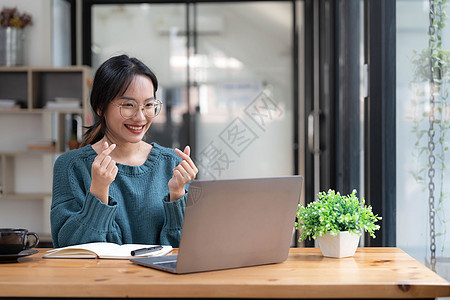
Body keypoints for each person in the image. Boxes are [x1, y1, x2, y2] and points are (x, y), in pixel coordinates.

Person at [50, 55, 198, 248]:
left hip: (161, 278)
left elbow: (187, 249)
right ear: (101, 107)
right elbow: (68, 248)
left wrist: (177, 194)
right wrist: (99, 191)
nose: (140, 116)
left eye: (148, 105)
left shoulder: (172, 163)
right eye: (128, 105)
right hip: (98, 278)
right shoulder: (71, 165)